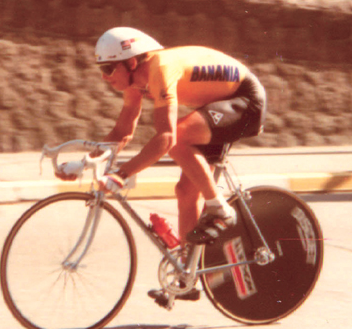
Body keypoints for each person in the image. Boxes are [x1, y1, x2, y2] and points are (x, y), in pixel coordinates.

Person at [57, 27, 266, 305]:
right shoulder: (134, 83)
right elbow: (122, 132)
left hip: (245, 100)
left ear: (132, 62)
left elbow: (166, 138)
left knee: (177, 138)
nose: (104, 77)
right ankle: (186, 278)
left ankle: (219, 208)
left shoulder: (161, 68)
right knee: (185, 192)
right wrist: (86, 163)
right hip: (218, 104)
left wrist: (121, 174)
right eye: (101, 70)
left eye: (109, 68)